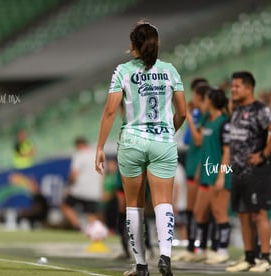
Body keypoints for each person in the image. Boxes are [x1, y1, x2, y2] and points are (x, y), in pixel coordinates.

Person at [95, 21, 186, 276]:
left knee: (133, 205)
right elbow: (183, 112)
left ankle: (141, 265)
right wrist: (167, 132)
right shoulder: (170, 71)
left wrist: (100, 146)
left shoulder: (123, 71)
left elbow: (111, 110)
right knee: (163, 203)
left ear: (133, 45)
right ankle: (166, 256)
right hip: (163, 141)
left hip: (132, 142)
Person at [226, 71, 271, 272]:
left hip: (256, 171)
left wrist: (263, 155)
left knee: (259, 214)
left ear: (249, 88)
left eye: (237, 86)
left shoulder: (260, 109)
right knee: (243, 214)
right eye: (232, 86)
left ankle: (265, 259)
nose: (232, 89)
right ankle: (249, 257)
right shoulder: (235, 109)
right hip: (238, 172)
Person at [186, 88, 232, 264]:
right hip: (205, 174)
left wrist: (221, 176)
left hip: (218, 174)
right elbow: (201, 144)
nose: (202, 104)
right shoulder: (207, 119)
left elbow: (227, 152)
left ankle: (222, 249)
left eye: (205, 100)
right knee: (199, 212)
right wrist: (199, 170)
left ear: (211, 102)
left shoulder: (224, 123)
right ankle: (202, 249)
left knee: (220, 213)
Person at [173, 79, 210, 263]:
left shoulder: (207, 116)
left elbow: (197, 140)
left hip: (203, 165)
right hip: (193, 162)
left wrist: (187, 114)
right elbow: (188, 140)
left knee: (201, 209)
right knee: (192, 208)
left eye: (194, 95)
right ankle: (194, 247)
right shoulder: (197, 114)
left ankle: (205, 246)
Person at [61, 137, 103, 231]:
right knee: (91, 214)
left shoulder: (80, 155)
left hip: (79, 190)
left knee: (65, 206)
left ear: (79, 145)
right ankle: (97, 232)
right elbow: (102, 175)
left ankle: (78, 227)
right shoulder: (98, 155)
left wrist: (69, 186)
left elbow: (73, 175)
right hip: (94, 191)